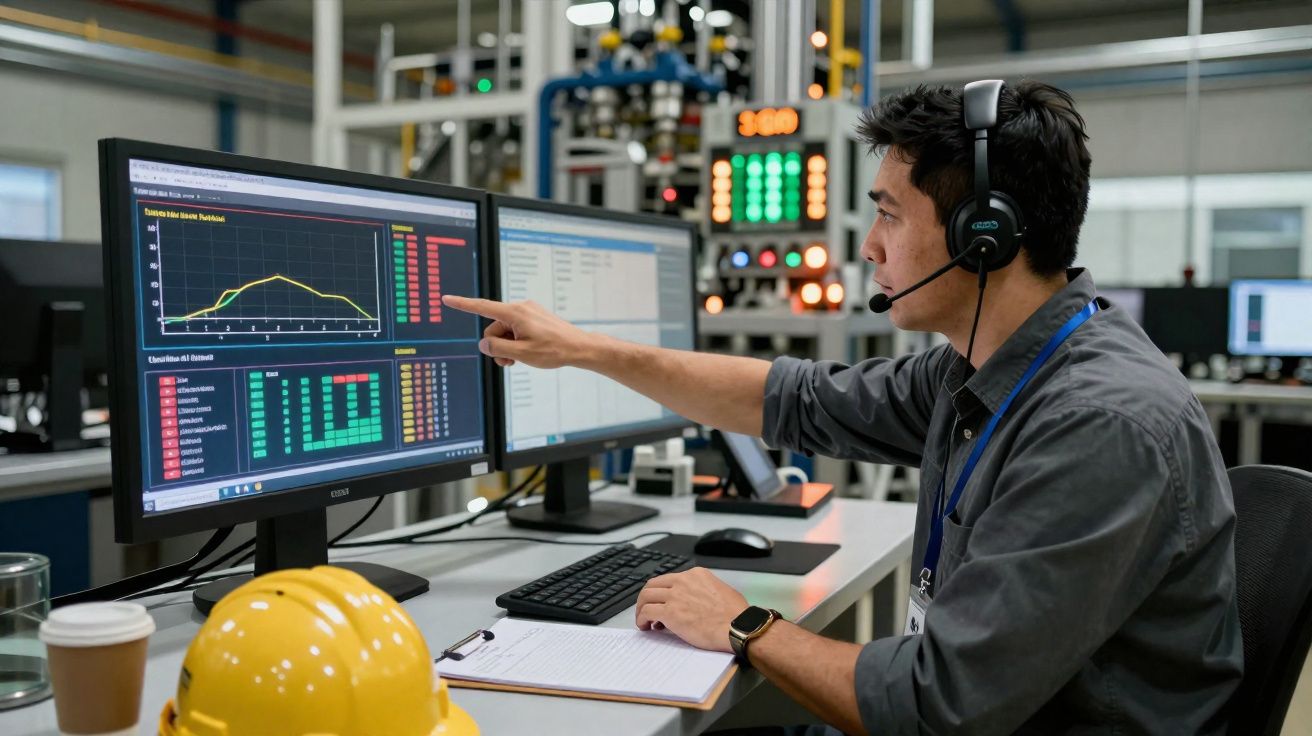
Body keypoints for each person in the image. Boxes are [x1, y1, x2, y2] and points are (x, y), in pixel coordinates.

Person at [443, 80, 1242, 735]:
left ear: (983, 236)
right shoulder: (986, 369)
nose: (868, 247)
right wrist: (584, 349)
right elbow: (790, 400)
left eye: (889, 214)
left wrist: (743, 625)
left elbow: (939, 707)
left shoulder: (1098, 425)